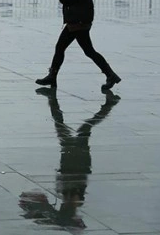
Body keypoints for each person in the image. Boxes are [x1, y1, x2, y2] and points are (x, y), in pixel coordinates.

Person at [19, 87, 121, 229]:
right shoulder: (73, 198)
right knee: (82, 128)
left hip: (74, 160)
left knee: (78, 128)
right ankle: (108, 106)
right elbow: (73, 179)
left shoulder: (72, 199)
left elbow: (72, 179)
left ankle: (106, 107)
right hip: (77, 159)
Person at [36, 0, 121, 91]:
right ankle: (110, 75)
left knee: (71, 49)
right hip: (79, 22)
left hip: (77, 24)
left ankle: (110, 75)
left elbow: (65, 0)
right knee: (79, 50)